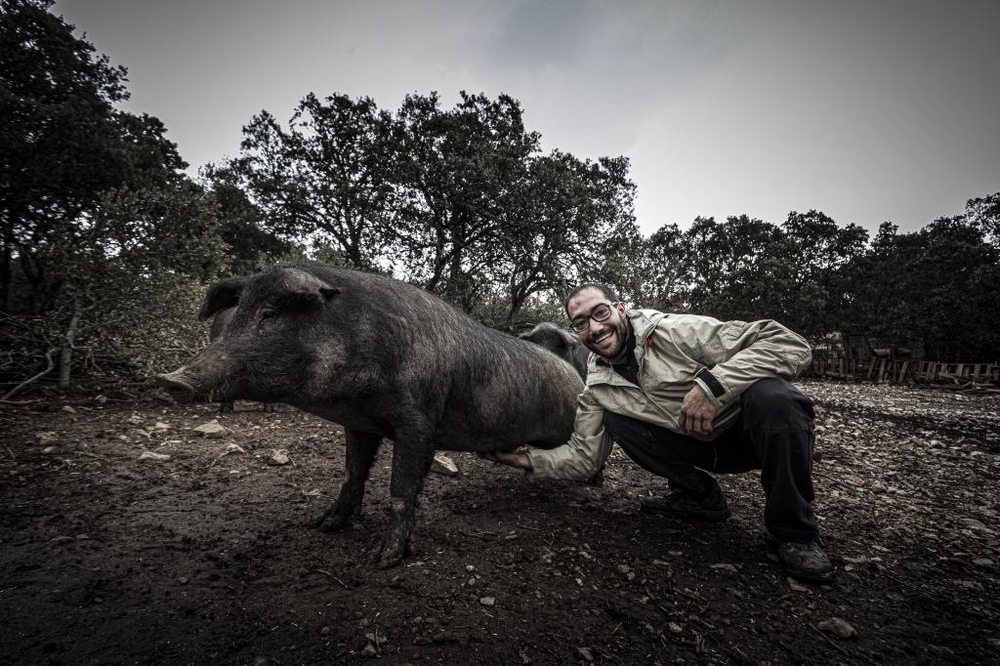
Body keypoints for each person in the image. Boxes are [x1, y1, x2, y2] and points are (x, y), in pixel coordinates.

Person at [485, 283, 834, 583]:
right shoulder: (597, 385)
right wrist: (526, 459)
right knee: (616, 420)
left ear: (621, 309)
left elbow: (789, 344)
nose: (594, 328)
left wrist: (714, 385)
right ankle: (698, 496)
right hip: (693, 444)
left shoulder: (676, 331)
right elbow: (584, 455)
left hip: (749, 436)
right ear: (575, 334)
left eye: (601, 313)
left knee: (775, 397)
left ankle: (793, 532)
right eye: (581, 323)